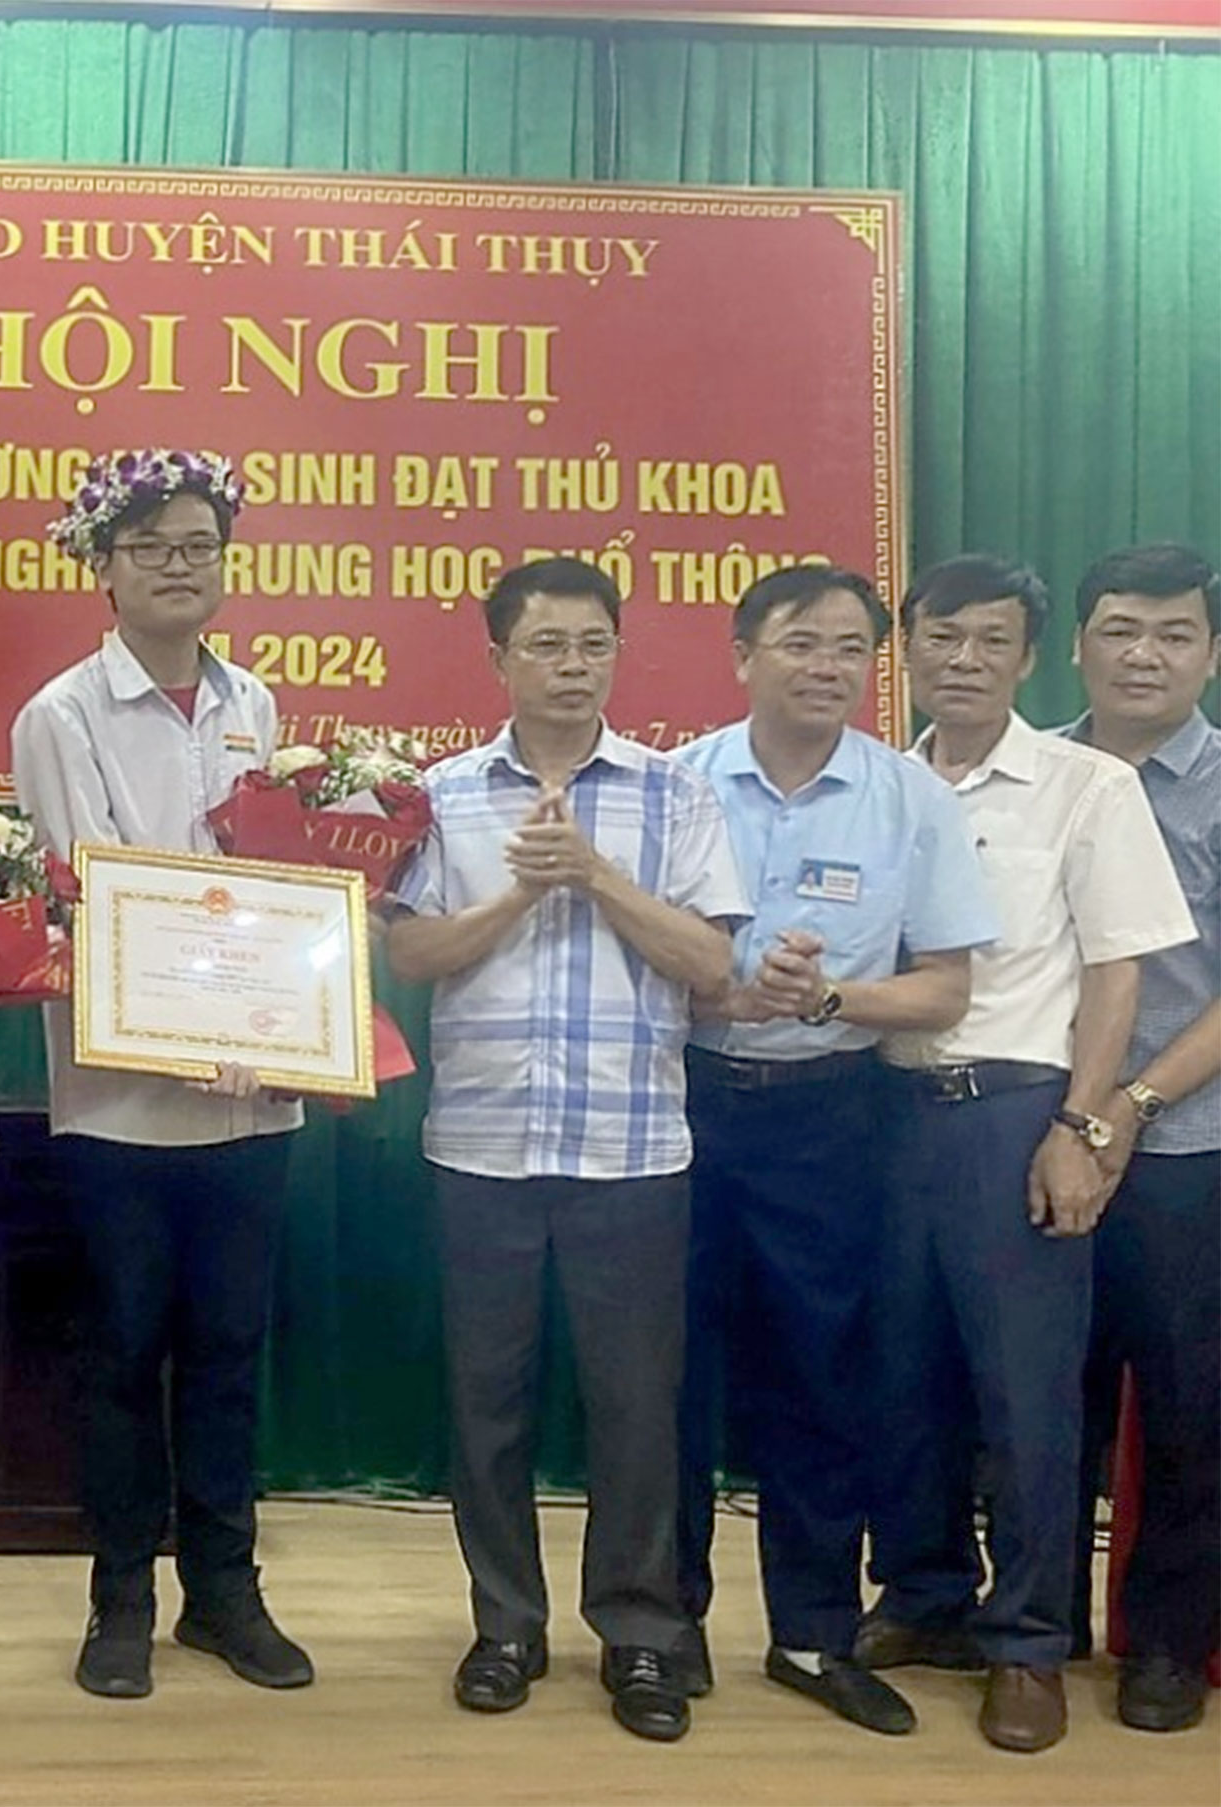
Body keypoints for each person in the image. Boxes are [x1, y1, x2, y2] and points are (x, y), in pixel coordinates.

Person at [383, 557, 746, 1743]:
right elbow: (410, 958)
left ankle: (640, 1634)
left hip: (630, 1150)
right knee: (484, 1403)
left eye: (593, 644)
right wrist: (516, 900)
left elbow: (711, 963)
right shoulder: (442, 796)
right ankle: (505, 1625)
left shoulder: (673, 793)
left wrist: (592, 874)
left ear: (617, 654)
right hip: (482, 1144)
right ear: (499, 659)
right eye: (546, 645)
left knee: (636, 1406)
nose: (572, 667)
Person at [856, 555, 1193, 1753]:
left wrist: (1079, 1127)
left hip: (1014, 1109)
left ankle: (1031, 1641)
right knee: (904, 1375)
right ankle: (927, 1596)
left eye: (991, 640)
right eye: (942, 636)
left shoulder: (1086, 786)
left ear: (1030, 657)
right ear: (908, 647)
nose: (964, 659)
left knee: (1028, 1392)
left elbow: (1119, 972)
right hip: (885, 1109)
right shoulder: (875, 785)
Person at [670, 564, 996, 1735]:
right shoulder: (677, 784)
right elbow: (637, 951)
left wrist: (825, 998)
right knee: (669, 1378)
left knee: (821, 1376)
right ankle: (660, 1629)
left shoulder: (911, 799)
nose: (829, 667)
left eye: (853, 648)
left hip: (831, 1117)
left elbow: (945, 988)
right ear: (743, 654)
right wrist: (719, 985)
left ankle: (812, 1633)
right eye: (802, 642)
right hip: (683, 1106)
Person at [12, 449, 313, 1702]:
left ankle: (225, 1593)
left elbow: (277, 882)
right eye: (151, 548)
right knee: (126, 1356)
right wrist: (207, 999)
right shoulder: (62, 714)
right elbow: (92, 892)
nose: (179, 567)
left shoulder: (259, 705)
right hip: (122, 1103)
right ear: (106, 566)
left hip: (250, 1090)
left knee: (233, 1355)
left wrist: (269, 1009)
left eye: (199, 545)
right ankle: (122, 1597)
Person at [1065, 541, 1221, 1735]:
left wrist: (1133, 1105)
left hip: (1186, 1144)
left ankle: (1166, 1641)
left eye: (1174, 634)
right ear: (1080, 646)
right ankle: (1031, 1626)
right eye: (1121, 629)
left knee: (1184, 1405)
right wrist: (1079, 1114)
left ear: (1209, 654)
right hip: (1042, 1136)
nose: (1144, 655)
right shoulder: (1038, 774)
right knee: (1037, 1399)